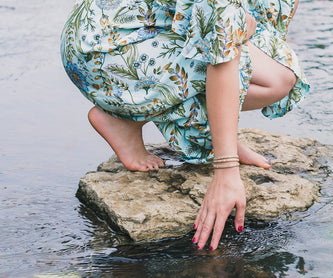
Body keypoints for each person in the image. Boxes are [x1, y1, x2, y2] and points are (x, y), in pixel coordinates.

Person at [61, 0, 309, 251]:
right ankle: (127, 110)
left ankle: (124, 119)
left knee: (251, 42)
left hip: (98, 33)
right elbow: (221, 54)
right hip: (109, 53)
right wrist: (225, 169)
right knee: (277, 80)